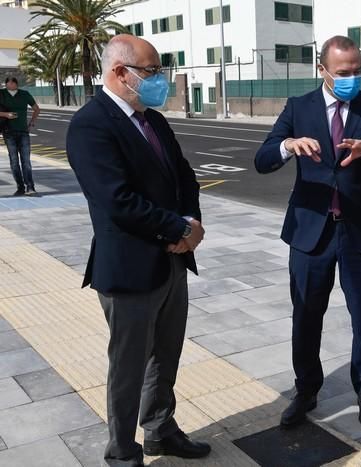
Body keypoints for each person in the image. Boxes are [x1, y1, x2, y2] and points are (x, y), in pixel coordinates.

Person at [66, 35, 210, 467]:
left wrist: (189, 227)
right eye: (150, 71)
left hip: (173, 260)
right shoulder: (91, 124)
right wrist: (177, 226)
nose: (159, 79)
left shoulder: (153, 120)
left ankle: (160, 430)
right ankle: (122, 451)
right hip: (129, 268)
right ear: (119, 73)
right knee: (128, 367)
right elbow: (117, 199)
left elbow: (184, 177)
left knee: (166, 355)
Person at [255, 35, 361, 430]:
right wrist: (288, 145)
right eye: (343, 73)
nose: (352, 79)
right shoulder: (298, 108)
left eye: (357, 72)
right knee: (306, 315)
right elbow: (262, 160)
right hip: (310, 232)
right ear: (322, 70)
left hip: (360, 231)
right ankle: (306, 389)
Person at [0, 77, 40, 196]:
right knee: (14, 161)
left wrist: (32, 122)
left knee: (26, 161)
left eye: (12, 83)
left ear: (16, 84)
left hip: (23, 132)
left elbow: (36, 109)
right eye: (8, 83)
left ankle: (30, 187)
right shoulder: (1, 94)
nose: (10, 85)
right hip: (8, 131)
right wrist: (6, 114)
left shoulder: (24, 94)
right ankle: (20, 187)